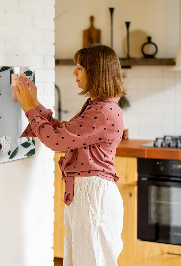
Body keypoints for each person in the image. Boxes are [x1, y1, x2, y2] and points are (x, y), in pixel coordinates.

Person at [13, 44, 125, 266]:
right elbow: (64, 133)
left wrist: (28, 108)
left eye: (80, 67)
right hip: (88, 195)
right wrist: (34, 104)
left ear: (96, 72)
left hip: (93, 197)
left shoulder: (102, 111)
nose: (75, 73)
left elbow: (56, 141)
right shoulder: (98, 106)